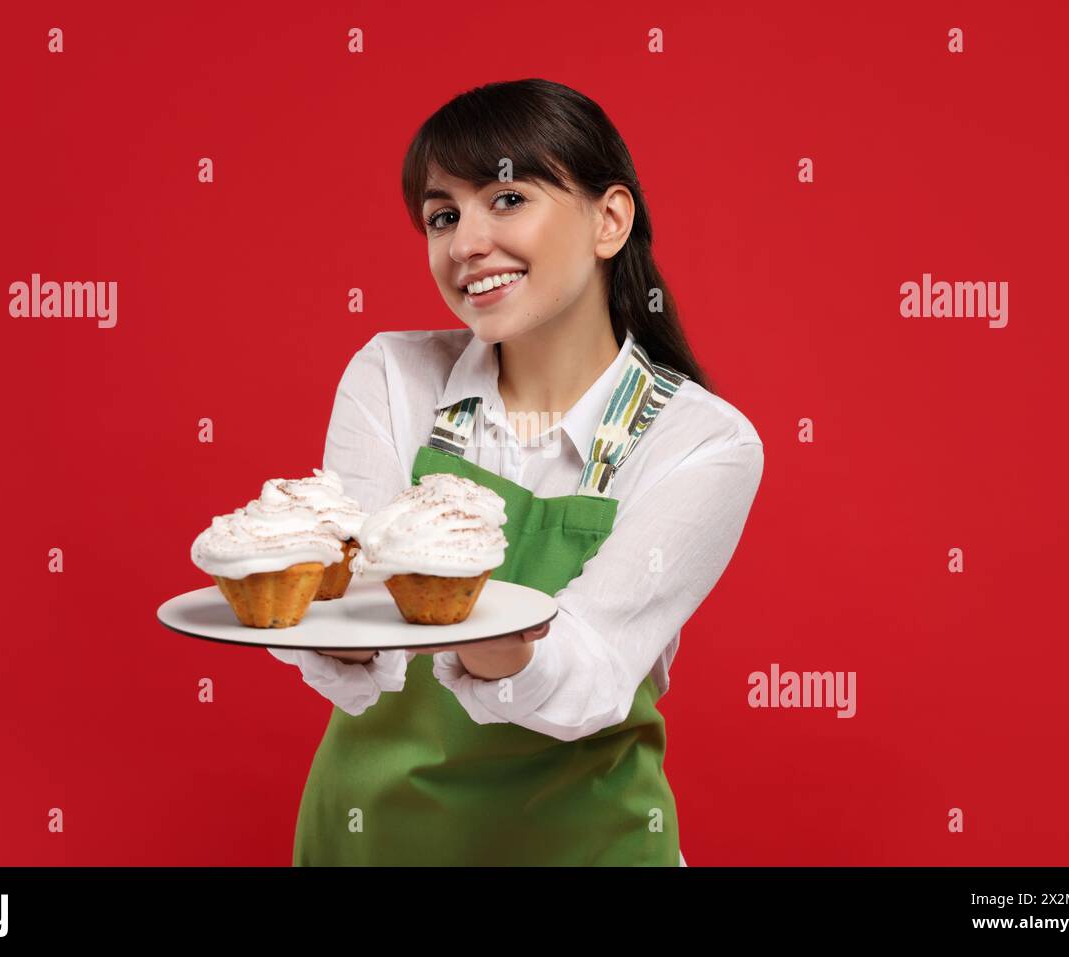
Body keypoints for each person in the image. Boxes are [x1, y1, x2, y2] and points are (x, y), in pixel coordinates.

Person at [269, 78, 763, 866]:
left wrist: (485, 632)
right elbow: (350, 611)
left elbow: (593, 673)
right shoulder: (394, 378)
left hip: (587, 846)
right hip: (368, 840)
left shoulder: (698, 440)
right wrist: (296, 590)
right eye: (442, 215)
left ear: (610, 220)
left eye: (506, 198)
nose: (465, 243)